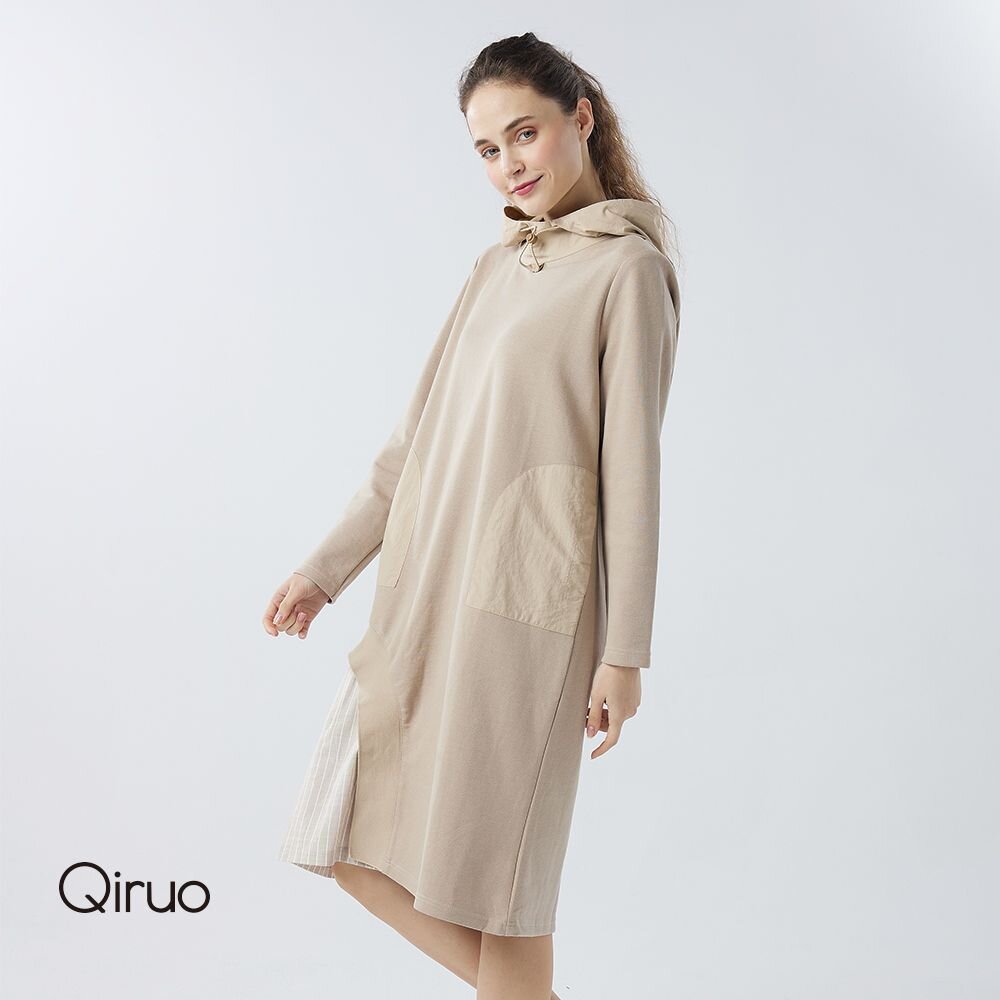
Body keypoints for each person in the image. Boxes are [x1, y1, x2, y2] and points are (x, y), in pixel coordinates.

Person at [262, 31, 682, 1000]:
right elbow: (413, 442)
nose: (509, 164)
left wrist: (625, 654)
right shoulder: (497, 266)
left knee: (502, 890)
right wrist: (325, 568)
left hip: (529, 615)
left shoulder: (628, 271)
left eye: (523, 133)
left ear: (580, 117)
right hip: (428, 591)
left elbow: (634, 472)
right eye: (488, 149)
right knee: (348, 842)